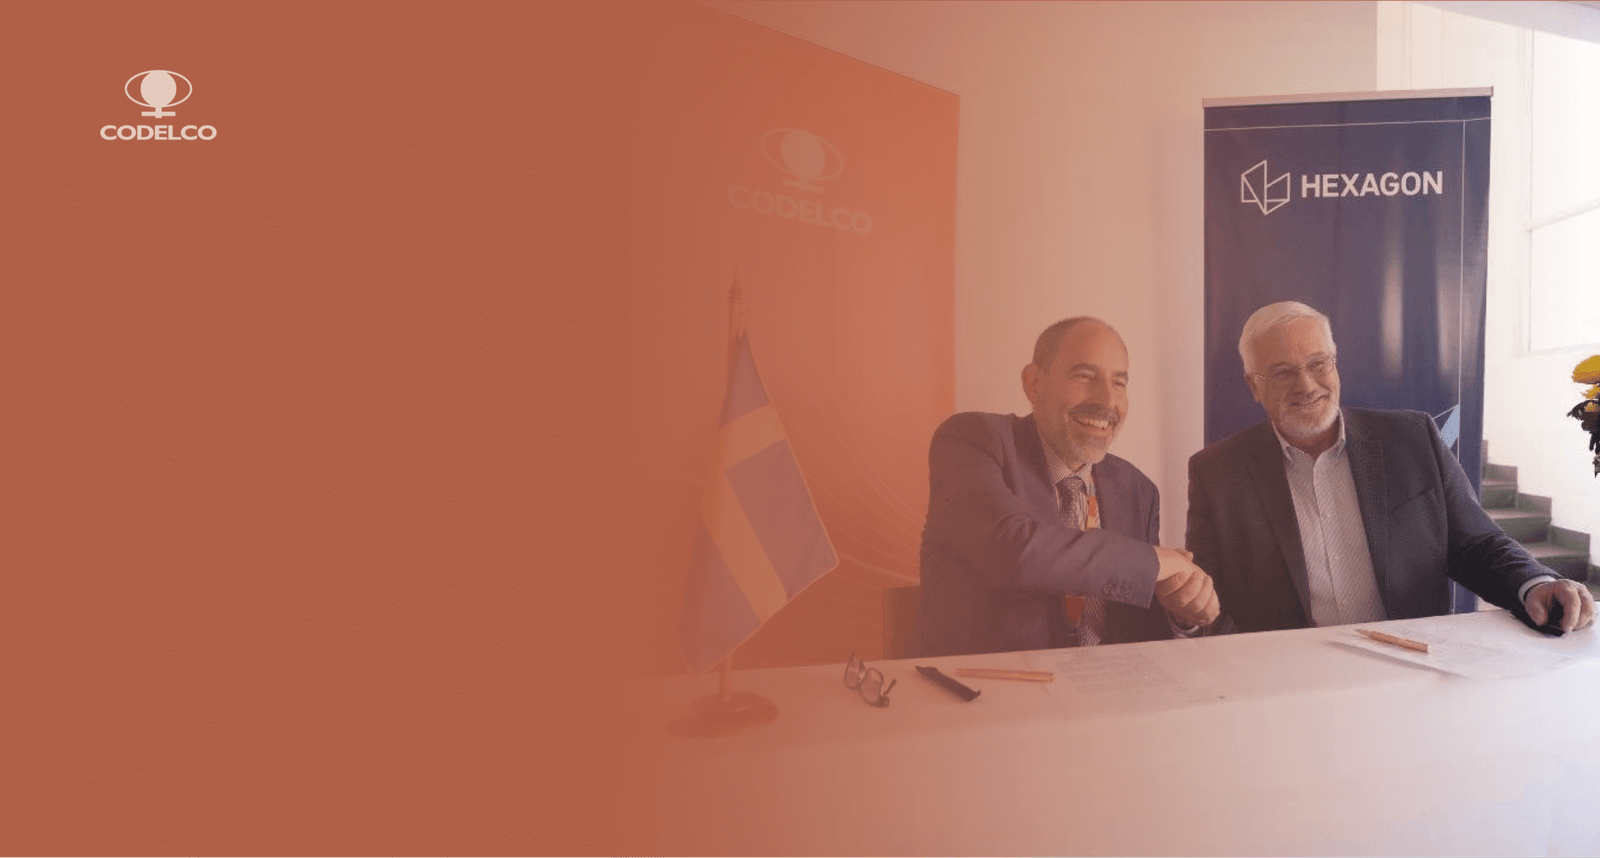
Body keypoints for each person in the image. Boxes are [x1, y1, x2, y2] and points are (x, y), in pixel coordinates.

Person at [1186, 300, 1596, 634]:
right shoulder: (1217, 473)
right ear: (1253, 386)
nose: (1307, 385)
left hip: (1407, 664)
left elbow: (1476, 545)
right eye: (1282, 372)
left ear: (1335, 363)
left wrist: (1535, 583)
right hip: (1289, 678)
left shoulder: (1413, 439)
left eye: (1318, 363)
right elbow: (1205, 600)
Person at [918, 317, 1219, 656]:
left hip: (1109, 685)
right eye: (1084, 376)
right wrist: (1154, 562)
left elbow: (1140, 623)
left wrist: (1180, 612)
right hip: (985, 684)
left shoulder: (1137, 489)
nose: (1107, 400)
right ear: (1034, 384)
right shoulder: (973, 440)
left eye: (1119, 383)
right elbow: (1013, 549)